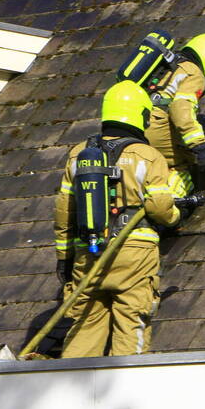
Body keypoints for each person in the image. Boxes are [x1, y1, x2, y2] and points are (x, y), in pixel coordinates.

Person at [54, 81, 181, 358]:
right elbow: (160, 208)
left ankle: (72, 390)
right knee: (131, 323)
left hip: (87, 254)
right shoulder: (148, 156)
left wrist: (64, 258)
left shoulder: (77, 155)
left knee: (83, 327)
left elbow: (64, 210)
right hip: (134, 255)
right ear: (142, 115)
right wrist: (175, 214)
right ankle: (126, 387)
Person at [144, 33, 205, 197]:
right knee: (185, 165)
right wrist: (201, 148)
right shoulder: (194, 73)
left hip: (140, 128)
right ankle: (169, 206)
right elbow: (180, 109)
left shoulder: (170, 68)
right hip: (156, 132)